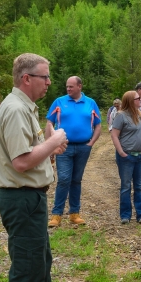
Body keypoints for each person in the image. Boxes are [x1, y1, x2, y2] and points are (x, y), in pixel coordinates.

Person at [0, 53, 68, 282]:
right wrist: (54, 139)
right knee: (28, 271)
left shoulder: (24, 107)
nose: (49, 82)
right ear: (27, 78)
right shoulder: (15, 109)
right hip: (22, 200)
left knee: (38, 266)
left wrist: (49, 146)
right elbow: (21, 162)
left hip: (29, 200)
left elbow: (29, 152)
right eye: (44, 76)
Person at [46, 76, 101, 227]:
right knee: (64, 179)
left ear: (80, 86)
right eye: (67, 86)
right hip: (63, 146)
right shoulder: (59, 102)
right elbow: (49, 122)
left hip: (84, 147)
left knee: (76, 180)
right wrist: (50, 144)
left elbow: (98, 125)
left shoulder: (90, 103)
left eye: (71, 86)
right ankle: (56, 214)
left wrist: (91, 143)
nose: (68, 89)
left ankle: (74, 213)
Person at [110, 91, 141, 224]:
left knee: (139, 186)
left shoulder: (140, 115)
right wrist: (121, 152)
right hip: (127, 157)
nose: (140, 100)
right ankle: (125, 215)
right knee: (126, 186)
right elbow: (114, 135)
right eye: (138, 98)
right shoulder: (121, 116)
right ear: (130, 101)